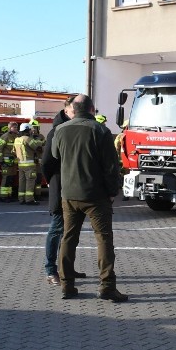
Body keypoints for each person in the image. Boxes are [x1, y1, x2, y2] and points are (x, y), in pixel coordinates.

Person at [45, 94, 126, 302]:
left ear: (73, 109)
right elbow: (111, 166)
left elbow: (54, 156)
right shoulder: (100, 130)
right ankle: (107, 286)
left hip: (69, 195)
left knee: (68, 238)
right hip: (96, 196)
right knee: (104, 239)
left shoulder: (59, 131)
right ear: (92, 109)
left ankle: (67, 285)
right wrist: (112, 192)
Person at [39, 99, 87, 286]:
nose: (77, 113)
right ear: (67, 111)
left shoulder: (73, 128)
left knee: (70, 231)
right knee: (57, 228)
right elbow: (46, 162)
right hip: (60, 186)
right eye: (74, 110)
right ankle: (51, 270)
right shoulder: (56, 131)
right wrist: (52, 181)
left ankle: (66, 268)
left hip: (73, 186)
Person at [13, 123, 40, 206]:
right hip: (29, 165)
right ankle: (29, 200)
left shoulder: (17, 139)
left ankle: (21, 199)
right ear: (27, 130)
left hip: (20, 165)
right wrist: (37, 140)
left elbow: (13, 151)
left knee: (22, 182)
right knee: (30, 182)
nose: (31, 131)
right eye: (30, 130)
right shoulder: (28, 139)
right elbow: (37, 147)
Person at [0, 121, 19, 202]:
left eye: (16, 127)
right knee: (6, 179)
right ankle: (3, 197)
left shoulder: (17, 136)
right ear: (9, 128)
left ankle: (9, 195)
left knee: (10, 179)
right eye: (14, 127)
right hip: (6, 162)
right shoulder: (5, 136)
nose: (16, 128)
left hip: (13, 163)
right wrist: (1, 160)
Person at [29, 119, 44, 201]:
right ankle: (31, 196)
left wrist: (41, 148)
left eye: (35, 127)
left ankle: (38, 194)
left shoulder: (41, 136)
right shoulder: (28, 137)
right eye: (32, 127)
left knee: (38, 179)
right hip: (31, 162)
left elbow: (45, 146)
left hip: (38, 162)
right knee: (31, 180)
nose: (34, 129)